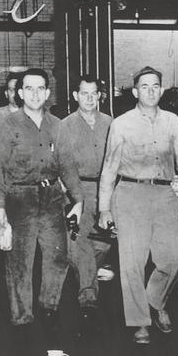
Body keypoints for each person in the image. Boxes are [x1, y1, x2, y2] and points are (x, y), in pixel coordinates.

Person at [97, 66, 178, 345]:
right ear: (135, 92)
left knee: (177, 257)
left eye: (156, 86)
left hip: (166, 195)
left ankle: (155, 300)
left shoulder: (172, 121)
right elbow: (109, 167)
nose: (151, 91)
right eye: (145, 86)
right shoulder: (122, 123)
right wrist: (104, 209)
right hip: (130, 195)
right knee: (132, 262)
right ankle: (140, 322)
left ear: (162, 90)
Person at [0, 68, 83, 330]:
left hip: (53, 197)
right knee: (20, 261)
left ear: (47, 93)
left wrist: (78, 201)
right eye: (28, 88)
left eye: (40, 88)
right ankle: (22, 318)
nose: (34, 93)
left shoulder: (57, 126)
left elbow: (68, 166)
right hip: (20, 197)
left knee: (58, 257)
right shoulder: (9, 125)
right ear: (20, 93)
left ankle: (48, 306)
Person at [60, 75, 115, 321]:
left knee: (102, 243)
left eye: (94, 93)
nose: (90, 98)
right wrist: (68, 194)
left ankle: (89, 279)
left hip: (105, 190)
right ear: (75, 96)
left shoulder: (112, 124)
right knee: (79, 245)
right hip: (77, 189)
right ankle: (88, 298)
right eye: (85, 93)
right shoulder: (65, 126)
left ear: (99, 96)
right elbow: (59, 163)